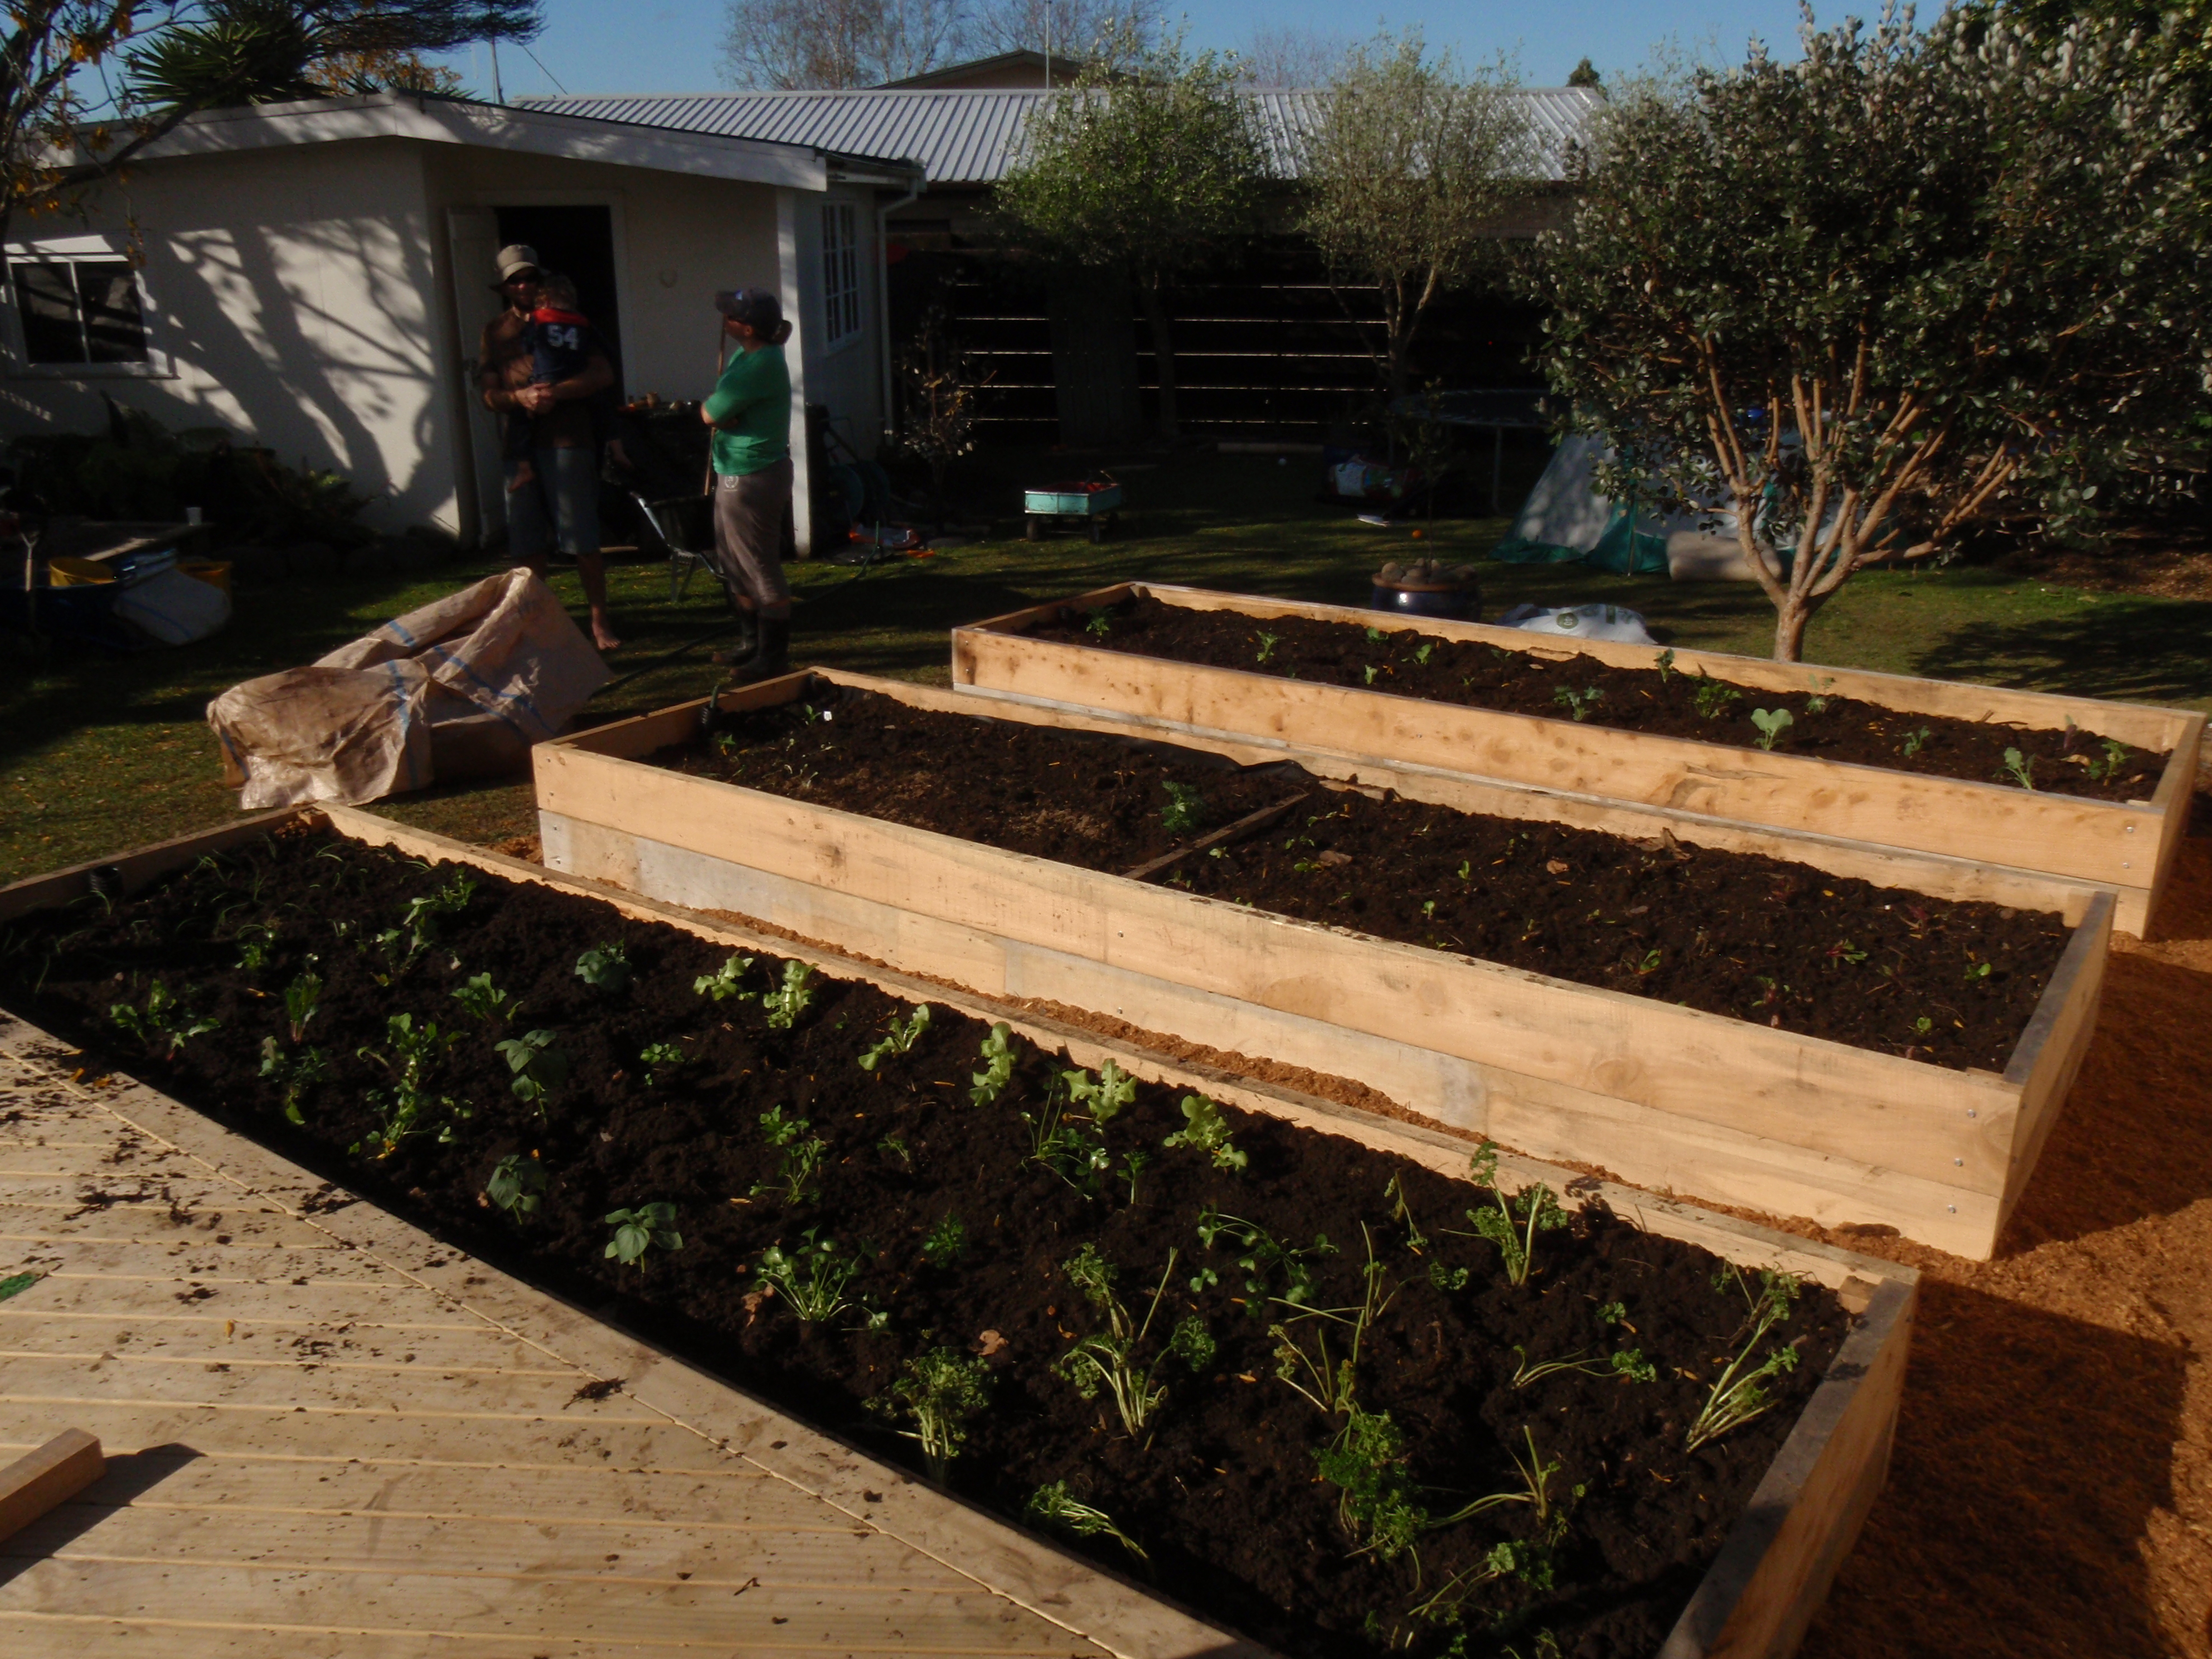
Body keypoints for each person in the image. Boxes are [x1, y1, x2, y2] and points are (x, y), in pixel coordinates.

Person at [477, 243, 622, 652]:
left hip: (569, 440)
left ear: (540, 280)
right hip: (519, 447)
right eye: (515, 281)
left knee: (582, 538)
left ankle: (599, 622)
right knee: (527, 544)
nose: (524, 285)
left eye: (530, 278)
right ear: (505, 288)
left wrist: (555, 392)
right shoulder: (495, 331)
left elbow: (603, 374)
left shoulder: (571, 321)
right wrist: (518, 398)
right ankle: (537, 624)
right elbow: (488, 393)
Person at [701, 287, 797, 683]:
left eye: (731, 316)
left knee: (759, 564)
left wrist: (718, 413)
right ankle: (751, 644)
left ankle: (773, 657)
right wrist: (724, 413)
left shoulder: (762, 364)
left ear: (748, 327)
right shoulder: (747, 356)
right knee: (733, 563)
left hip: (754, 477)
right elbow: (723, 410)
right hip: (734, 471)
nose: (724, 320)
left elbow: (711, 413)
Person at [502, 271, 598, 493]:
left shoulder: (539, 318)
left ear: (544, 300)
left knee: (519, 417)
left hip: (543, 380)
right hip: (570, 377)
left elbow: (527, 344)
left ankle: (523, 467)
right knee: (601, 406)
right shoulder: (582, 322)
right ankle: (616, 445)